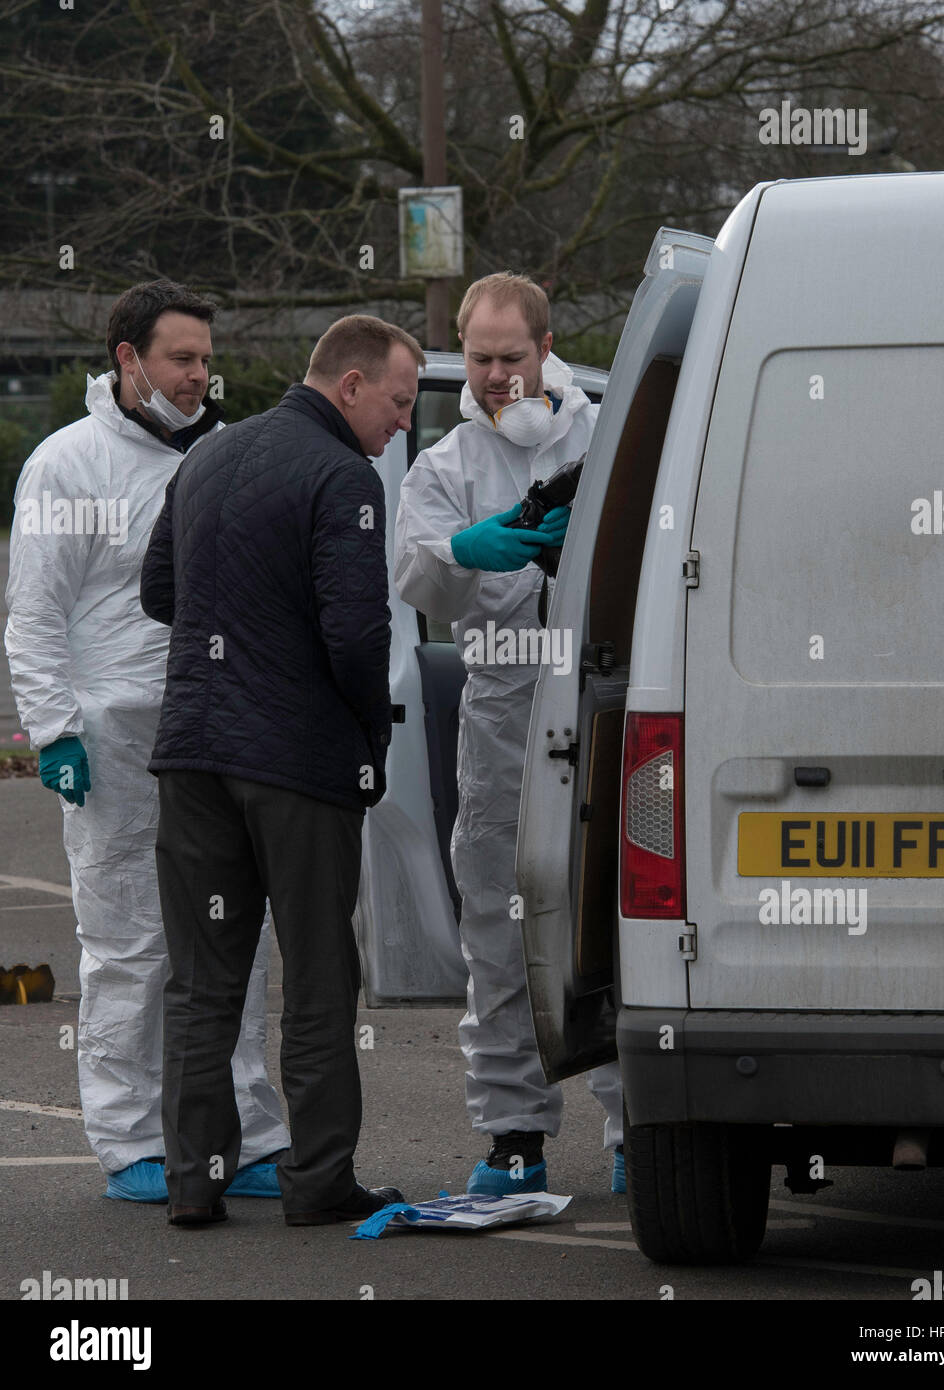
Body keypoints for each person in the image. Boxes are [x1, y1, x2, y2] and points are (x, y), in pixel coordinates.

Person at [4, 280, 290, 1202]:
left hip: (219, 722)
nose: (202, 375)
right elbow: (34, 616)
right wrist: (54, 729)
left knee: (231, 933)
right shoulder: (68, 464)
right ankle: (129, 1138)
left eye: (208, 359)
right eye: (182, 359)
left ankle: (244, 1136)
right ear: (129, 360)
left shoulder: (223, 453)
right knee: (127, 938)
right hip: (114, 734)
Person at [141, 314, 422, 1226]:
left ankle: (192, 1182)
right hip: (296, 765)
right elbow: (356, 634)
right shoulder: (344, 476)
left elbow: (159, 593)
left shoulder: (207, 459)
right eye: (397, 400)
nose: (403, 425)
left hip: (192, 756)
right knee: (317, 974)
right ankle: (320, 1181)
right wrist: (370, 741)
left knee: (202, 980)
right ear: (348, 386)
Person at [395, 272, 626, 1196]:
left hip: (602, 697)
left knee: (610, 910)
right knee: (496, 915)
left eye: (512, 357)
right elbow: (413, 574)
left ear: (546, 347)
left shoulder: (605, 435)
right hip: (500, 703)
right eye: (481, 360)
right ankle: (513, 1135)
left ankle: (635, 1129)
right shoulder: (446, 465)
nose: (496, 377)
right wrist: (464, 550)